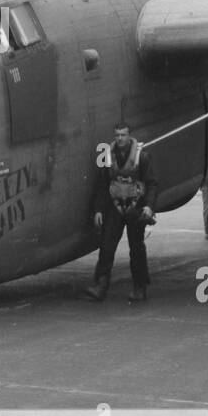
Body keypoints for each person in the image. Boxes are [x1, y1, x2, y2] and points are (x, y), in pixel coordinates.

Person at [86, 121, 159, 303]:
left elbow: (151, 183)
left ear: (129, 135)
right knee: (106, 247)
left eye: (123, 135)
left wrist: (149, 206)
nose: (120, 138)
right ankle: (100, 287)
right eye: (117, 135)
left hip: (136, 209)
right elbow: (102, 185)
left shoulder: (142, 157)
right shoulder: (108, 157)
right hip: (114, 208)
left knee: (136, 250)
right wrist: (98, 210)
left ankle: (139, 289)